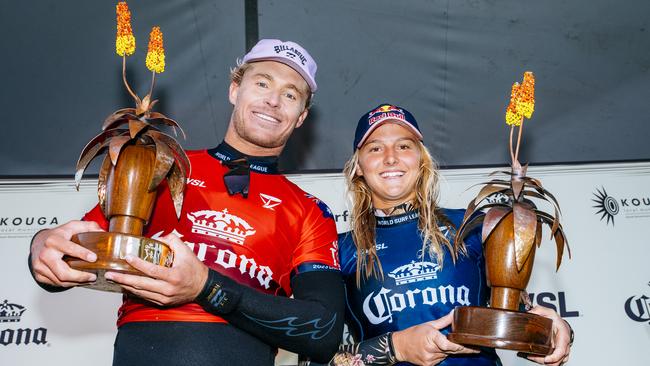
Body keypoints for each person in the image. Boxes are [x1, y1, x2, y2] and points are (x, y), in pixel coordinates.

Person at [28, 39, 344, 366]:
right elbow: (77, 250)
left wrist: (205, 287)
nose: (273, 101)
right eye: (262, 83)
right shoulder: (162, 165)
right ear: (235, 90)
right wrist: (41, 248)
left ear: (301, 117)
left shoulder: (309, 210)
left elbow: (323, 332)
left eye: (290, 95)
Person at [317, 103, 573, 365]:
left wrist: (554, 329)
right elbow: (315, 359)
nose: (391, 157)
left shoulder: (471, 226)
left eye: (404, 146)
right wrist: (397, 348)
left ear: (422, 159)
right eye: (375, 148)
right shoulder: (339, 250)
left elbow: (515, 314)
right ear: (358, 166)